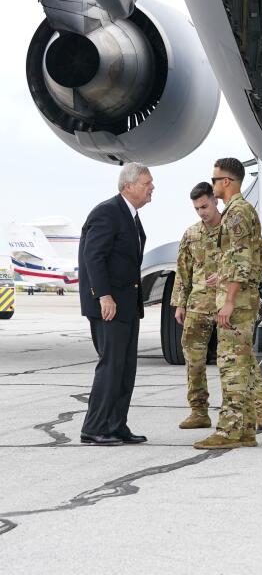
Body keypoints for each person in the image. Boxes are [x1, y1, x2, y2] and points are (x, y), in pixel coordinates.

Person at [194, 158, 262, 449]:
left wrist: (229, 299)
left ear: (226, 182)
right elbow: (257, 256)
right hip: (241, 295)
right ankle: (246, 431)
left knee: (232, 367)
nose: (213, 184)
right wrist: (224, 275)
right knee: (241, 364)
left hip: (236, 302)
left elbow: (242, 260)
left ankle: (228, 431)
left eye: (215, 179)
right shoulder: (242, 212)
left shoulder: (236, 213)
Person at [78, 163, 153, 445]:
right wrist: (103, 295)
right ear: (128, 186)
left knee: (125, 368)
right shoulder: (107, 212)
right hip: (109, 306)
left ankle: (116, 424)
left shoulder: (131, 217)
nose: (151, 188)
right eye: (147, 183)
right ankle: (94, 428)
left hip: (127, 305)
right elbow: (93, 257)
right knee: (111, 365)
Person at [173, 182, 224, 429]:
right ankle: (198, 411)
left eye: (205, 205)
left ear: (215, 200)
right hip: (198, 306)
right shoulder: (192, 234)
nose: (202, 212)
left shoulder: (233, 230)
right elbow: (182, 272)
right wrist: (179, 304)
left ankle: (258, 409)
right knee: (193, 359)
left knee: (236, 360)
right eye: (197, 209)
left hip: (229, 304)